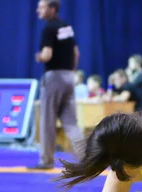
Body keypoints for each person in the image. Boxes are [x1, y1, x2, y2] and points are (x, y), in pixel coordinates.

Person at [31, 0, 83, 170]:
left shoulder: (49, 29)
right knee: (71, 122)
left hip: (54, 77)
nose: (38, 10)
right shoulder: (66, 26)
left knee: (47, 120)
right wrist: (72, 72)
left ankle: (46, 161)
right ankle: (88, 159)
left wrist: (38, 57)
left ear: (51, 9)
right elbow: (76, 52)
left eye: (42, 7)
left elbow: (47, 55)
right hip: (69, 76)